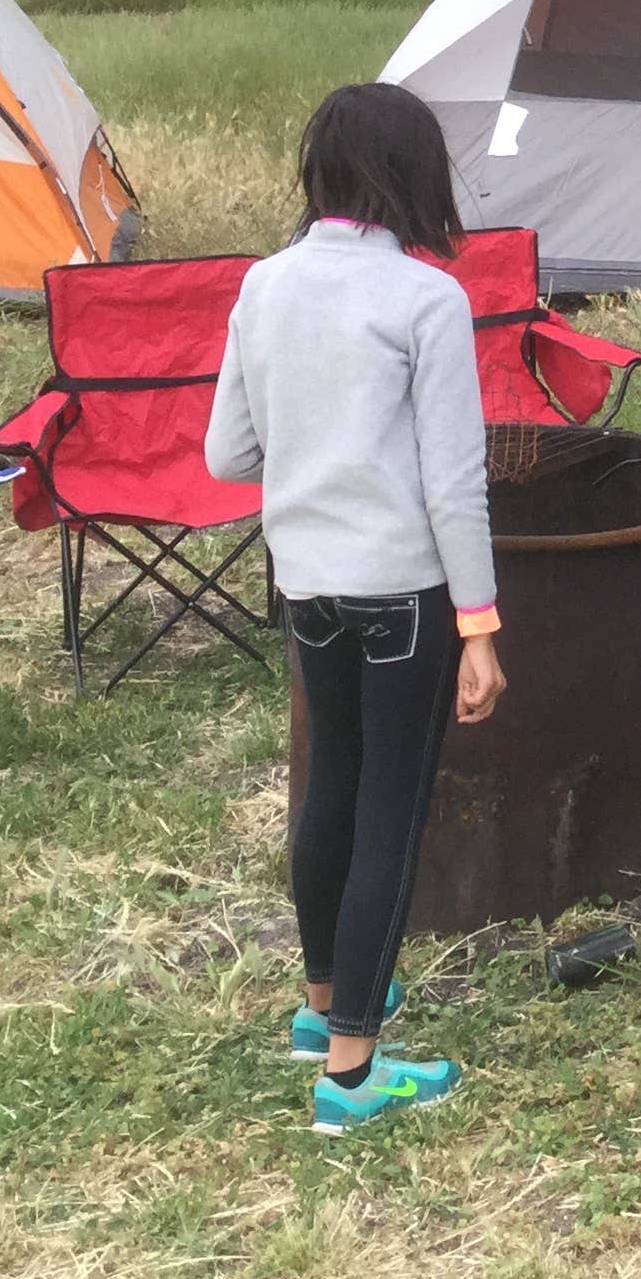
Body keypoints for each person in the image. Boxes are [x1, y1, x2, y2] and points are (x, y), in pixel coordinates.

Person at [207, 82, 507, 1136]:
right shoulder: (425, 301)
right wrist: (480, 625)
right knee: (389, 806)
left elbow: (225, 453)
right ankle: (352, 1073)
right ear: (416, 179)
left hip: (306, 585)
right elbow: (452, 484)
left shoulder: (264, 285)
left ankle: (326, 1000)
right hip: (407, 596)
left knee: (328, 787)